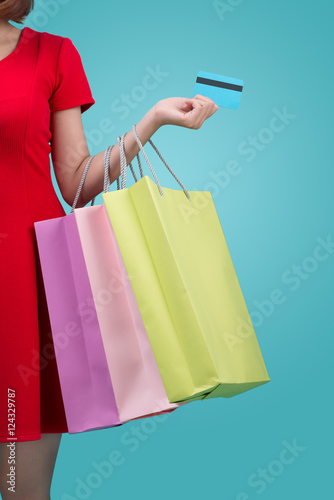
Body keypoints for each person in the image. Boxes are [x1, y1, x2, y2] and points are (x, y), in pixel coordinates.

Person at [0, 1, 218, 498]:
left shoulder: (51, 55)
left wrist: (153, 121)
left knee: (17, 484)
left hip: (23, 287)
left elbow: (77, 179)